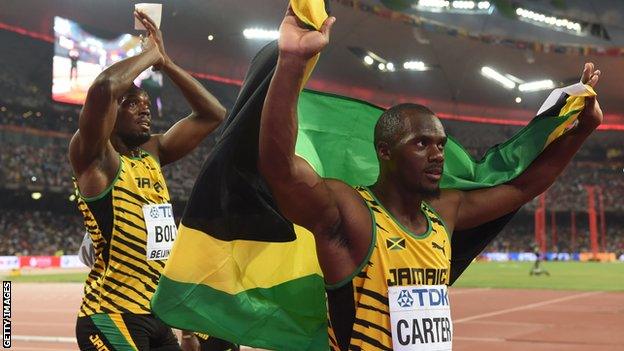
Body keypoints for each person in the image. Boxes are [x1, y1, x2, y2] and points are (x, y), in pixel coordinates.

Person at [258, 8, 602, 351]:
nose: (437, 154)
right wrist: (291, 61)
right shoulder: (351, 212)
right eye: (421, 144)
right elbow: (281, 170)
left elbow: (520, 187)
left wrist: (582, 130)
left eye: (440, 144)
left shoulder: (444, 211)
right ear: (385, 151)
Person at [69, 11, 226, 350]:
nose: (145, 110)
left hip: (154, 312)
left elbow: (213, 114)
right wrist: (149, 55)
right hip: (110, 315)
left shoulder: (152, 152)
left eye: (146, 104)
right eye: (132, 104)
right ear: (110, 115)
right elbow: (103, 88)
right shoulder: (96, 158)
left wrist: (166, 63)